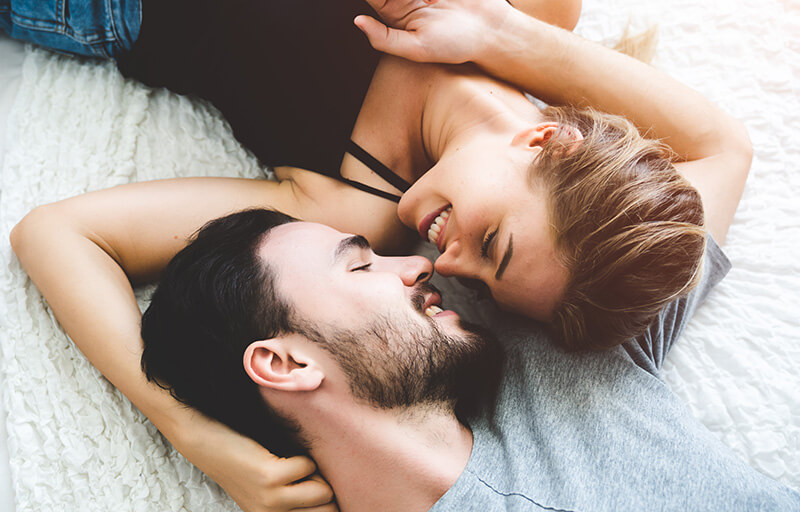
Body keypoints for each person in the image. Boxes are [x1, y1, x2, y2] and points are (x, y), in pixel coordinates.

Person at [1, 0, 750, 352]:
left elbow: (59, 235)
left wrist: (192, 431)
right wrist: (497, 31)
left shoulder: (346, 204)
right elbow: (726, 146)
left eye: (478, 283)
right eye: (493, 244)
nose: (448, 263)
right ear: (547, 141)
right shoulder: (531, 13)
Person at [135, 208, 799, 511]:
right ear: (282, 364)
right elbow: (48, 234)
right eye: (362, 264)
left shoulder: (537, 334)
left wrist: (186, 430)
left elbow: (710, 160)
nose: (418, 264)